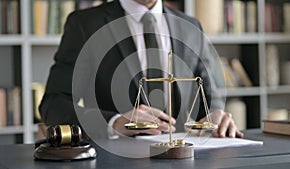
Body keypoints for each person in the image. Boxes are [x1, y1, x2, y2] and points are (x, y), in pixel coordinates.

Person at [39, 0, 244, 139]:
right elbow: (54, 105)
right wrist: (114, 122)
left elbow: (209, 98)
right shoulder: (85, 25)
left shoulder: (190, 27)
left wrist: (217, 115)